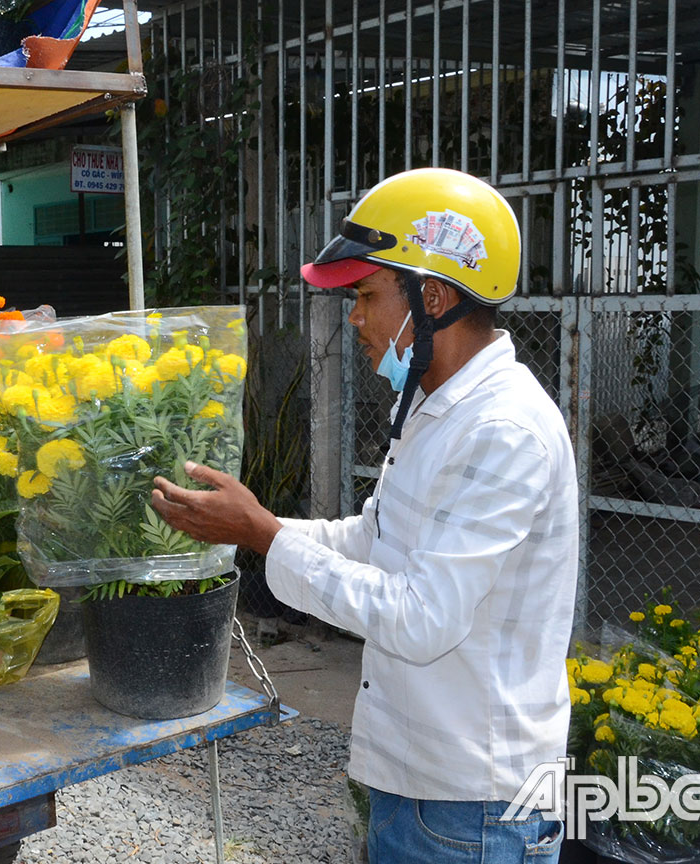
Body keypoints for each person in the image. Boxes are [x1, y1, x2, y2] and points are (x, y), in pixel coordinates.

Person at [151, 167, 578, 864]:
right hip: (426, 784)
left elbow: (421, 618)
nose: (353, 317)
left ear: (431, 297)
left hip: (470, 806)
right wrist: (263, 527)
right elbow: (374, 539)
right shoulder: (438, 409)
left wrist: (260, 534)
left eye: (367, 294)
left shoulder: (503, 430)